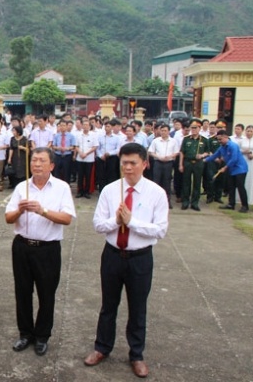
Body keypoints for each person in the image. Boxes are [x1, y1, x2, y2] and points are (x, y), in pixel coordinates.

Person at [84, 143, 169, 378]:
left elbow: (160, 230)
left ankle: (136, 354)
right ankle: (102, 347)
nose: (128, 168)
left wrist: (131, 222)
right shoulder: (110, 190)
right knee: (108, 305)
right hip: (112, 255)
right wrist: (116, 221)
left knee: (138, 307)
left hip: (140, 258)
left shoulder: (156, 193)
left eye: (133, 163)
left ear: (145, 163)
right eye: (124, 163)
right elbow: (98, 224)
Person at [5, 148, 76, 356]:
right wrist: (20, 209)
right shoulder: (21, 187)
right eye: (34, 160)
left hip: (48, 249)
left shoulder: (61, 187)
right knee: (23, 292)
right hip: (22, 246)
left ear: (51, 165)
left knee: (47, 294)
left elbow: (67, 218)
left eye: (41, 161)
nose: (36, 164)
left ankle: (42, 336)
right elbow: (8, 218)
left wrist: (41, 210)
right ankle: (25, 333)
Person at [206, 130, 250, 213]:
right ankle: (231, 204)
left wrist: (225, 167)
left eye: (220, 139)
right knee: (231, 187)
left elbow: (234, 159)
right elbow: (215, 155)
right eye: (218, 140)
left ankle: (245, 206)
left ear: (226, 137)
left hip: (240, 169)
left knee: (240, 187)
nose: (219, 141)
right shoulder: (221, 147)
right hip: (231, 169)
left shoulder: (233, 146)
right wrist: (204, 160)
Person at [178, 119, 209, 211]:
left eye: (195, 128)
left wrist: (202, 155)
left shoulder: (204, 140)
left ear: (200, 128)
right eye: (192, 128)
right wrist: (180, 164)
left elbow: (208, 152)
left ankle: (195, 203)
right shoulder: (186, 139)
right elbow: (182, 152)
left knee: (197, 183)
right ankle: (185, 202)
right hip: (187, 162)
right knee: (186, 183)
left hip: (198, 163)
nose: (193, 129)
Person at [148, 124, 179, 209]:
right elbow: (151, 152)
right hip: (158, 162)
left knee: (167, 183)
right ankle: (153, 202)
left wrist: (169, 157)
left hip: (168, 163)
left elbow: (176, 152)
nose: (163, 132)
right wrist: (158, 157)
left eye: (165, 131)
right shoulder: (156, 141)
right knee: (156, 182)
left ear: (169, 131)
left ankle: (167, 202)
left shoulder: (173, 141)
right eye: (162, 130)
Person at [75, 119, 98, 198]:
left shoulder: (93, 135)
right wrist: (80, 153)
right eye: (84, 125)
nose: (85, 126)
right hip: (80, 158)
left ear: (89, 126)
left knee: (88, 176)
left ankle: (87, 192)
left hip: (89, 159)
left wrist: (86, 154)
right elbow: (76, 146)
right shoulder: (78, 135)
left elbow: (95, 147)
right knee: (80, 176)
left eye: (87, 125)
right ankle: (80, 191)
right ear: (82, 126)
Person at [96, 120, 120, 192]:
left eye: (108, 126)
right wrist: (100, 156)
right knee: (101, 175)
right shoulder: (100, 137)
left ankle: (110, 191)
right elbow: (97, 148)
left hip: (112, 158)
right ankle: (102, 190)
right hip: (101, 158)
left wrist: (110, 153)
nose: (107, 128)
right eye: (105, 126)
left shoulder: (116, 138)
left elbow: (118, 149)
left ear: (112, 128)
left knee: (111, 175)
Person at [240, 125, 253, 205]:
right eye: (248, 131)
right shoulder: (242, 140)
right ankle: (240, 198)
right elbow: (238, 150)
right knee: (242, 179)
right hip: (243, 160)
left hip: (252, 161)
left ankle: (249, 199)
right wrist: (244, 152)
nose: (249, 133)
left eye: (251, 131)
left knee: (250, 178)